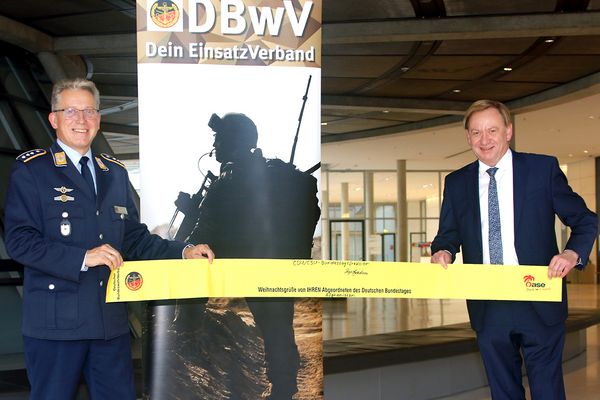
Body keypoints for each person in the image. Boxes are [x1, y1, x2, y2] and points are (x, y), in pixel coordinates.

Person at [3, 78, 215, 399]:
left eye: (89, 111)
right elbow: (20, 240)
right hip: (56, 325)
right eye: (71, 111)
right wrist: (83, 257)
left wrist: (183, 251)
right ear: (54, 119)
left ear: (99, 119)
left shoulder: (113, 172)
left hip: (108, 323)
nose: (81, 120)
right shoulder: (33, 170)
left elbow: (133, 238)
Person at [430, 99, 597, 400]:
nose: (485, 140)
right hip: (488, 303)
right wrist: (444, 251)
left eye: (492, 130)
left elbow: (586, 220)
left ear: (508, 131)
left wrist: (572, 254)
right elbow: (448, 234)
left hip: (538, 297)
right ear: (468, 137)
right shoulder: (456, 183)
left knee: (547, 390)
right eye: (476, 132)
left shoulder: (542, 169)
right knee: (503, 392)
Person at [184, 113, 320, 399]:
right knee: (278, 327)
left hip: (247, 270)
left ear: (234, 142)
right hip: (279, 267)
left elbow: (202, 234)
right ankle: (284, 387)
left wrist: (187, 227)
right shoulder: (279, 174)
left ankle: (186, 336)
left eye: (219, 139)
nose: (215, 145)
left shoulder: (229, 181)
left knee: (272, 327)